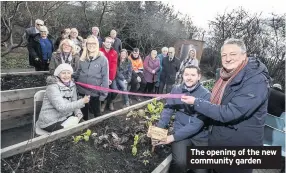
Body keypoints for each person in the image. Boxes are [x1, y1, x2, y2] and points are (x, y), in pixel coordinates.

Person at [181, 38, 271, 173]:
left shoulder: (256, 81)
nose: (227, 58)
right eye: (224, 55)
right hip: (222, 140)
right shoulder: (228, 75)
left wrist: (196, 102)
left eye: (233, 54)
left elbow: (230, 112)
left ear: (244, 55)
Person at [154, 65, 211, 173]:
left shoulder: (206, 95)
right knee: (180, 162)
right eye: (186, 74)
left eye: (193, 75)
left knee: (201, 170)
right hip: (181, 131)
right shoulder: (176, 89)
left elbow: (197, 124)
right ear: (183, 76)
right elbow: (168, 110)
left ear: (199, 76)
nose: (189, 78)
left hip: (199, 135)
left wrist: (172, 137)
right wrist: (159, 130)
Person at [36, 64, 90, 132]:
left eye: (68, 73)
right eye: (63, 73)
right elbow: (61, 107)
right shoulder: (52, 87)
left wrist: (78, 114)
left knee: (83, 126)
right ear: (58, 74)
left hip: (65, 116)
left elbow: (74, 101)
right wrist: (82, 101)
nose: (66, 76)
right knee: (72, 131)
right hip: (50, 121)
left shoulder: (72, 85)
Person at [74, 36, 109, 120]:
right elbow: (78, 72)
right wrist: (69, 76)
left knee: (97, 113)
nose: (91, 45)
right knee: (83, 113)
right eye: (89, 43)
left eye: (93, 43)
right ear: (86, 44)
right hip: (82, 91)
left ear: (97, 44)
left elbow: (105, 77)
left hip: (95, 92)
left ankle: (99, 128)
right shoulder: (82, 58)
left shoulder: (103, 59)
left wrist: (103, 94)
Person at [99, 37, 119, 112]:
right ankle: (103, 103)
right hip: (101, 76)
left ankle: (110, 102)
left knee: (115, 90)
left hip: (111, 76)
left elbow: (114, 66)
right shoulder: (99, 51)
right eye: (107, 42)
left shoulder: (114, 52)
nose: (108, 44)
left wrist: (110, 78)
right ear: (104, 43)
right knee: (105, 90)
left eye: (110, 42)